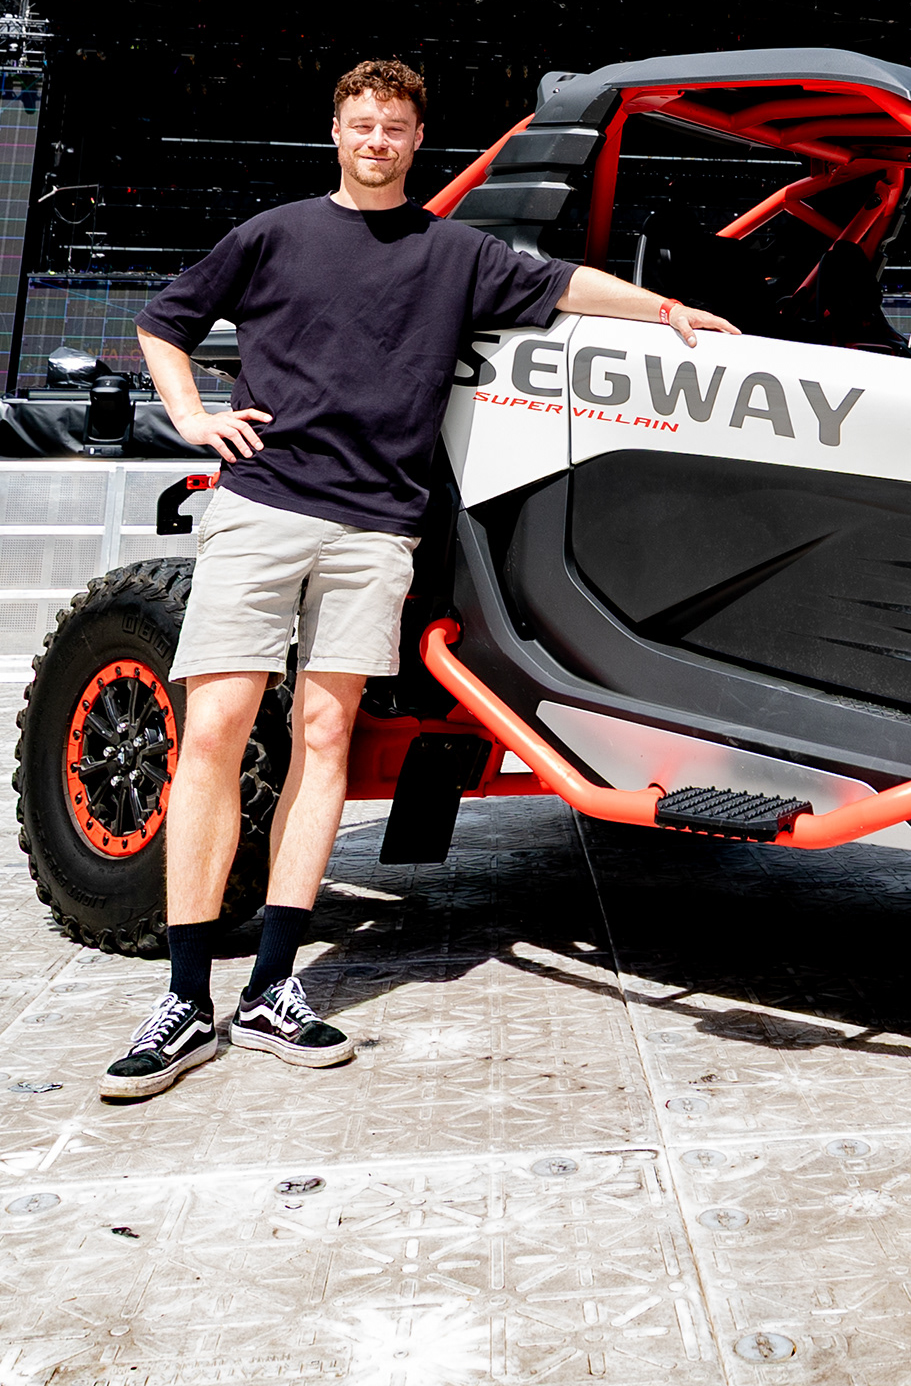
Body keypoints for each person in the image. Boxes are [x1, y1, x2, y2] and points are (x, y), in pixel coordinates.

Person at [101, 57, 735, 1099]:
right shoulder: (277, 233)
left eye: (395, 125)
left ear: (414, 138)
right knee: (214, 732)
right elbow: (164, 323)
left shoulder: (454, 253)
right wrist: (192, 414)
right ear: (337, 133)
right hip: (262, 505)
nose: (378, 140)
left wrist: (665, 307)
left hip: (376, 528)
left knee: (325, 737)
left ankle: (271, 989)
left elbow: (564, 285)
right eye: (362, 123)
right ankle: (181, 997)